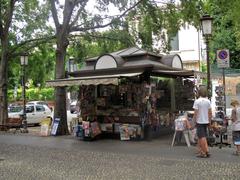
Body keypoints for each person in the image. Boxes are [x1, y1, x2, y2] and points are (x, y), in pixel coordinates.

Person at [193, 86, 212, 158]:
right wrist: (209, 122)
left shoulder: (197, 101)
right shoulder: (208, 101)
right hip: (206, 121)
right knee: (203, 136)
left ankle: (204, 152)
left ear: (199, 92)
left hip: (199, 121)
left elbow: (195, 113)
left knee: (201, 137)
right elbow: (210, 113)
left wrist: (194, 121)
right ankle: (204, 150)